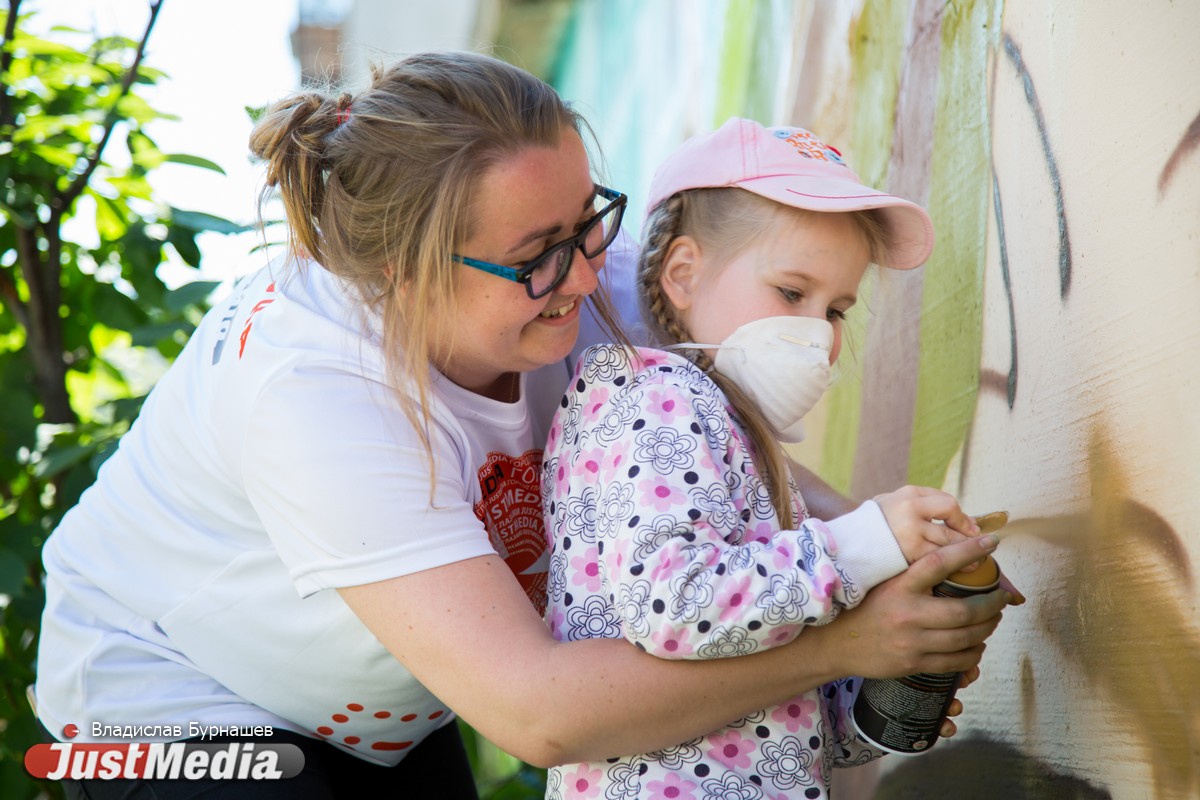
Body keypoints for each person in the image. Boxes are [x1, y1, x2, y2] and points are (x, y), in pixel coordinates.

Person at [33, 53, 1011, 799]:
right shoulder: (313, 394)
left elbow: (726, 466)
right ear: (404, 275)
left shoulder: (563, 262)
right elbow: (534, 712)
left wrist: (898, 553)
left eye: (591, 221)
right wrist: (848, 642)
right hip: (159, 704)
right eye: (546, 254)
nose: (591, 280)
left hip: (378, 704)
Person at [541, 117, 1008, 799]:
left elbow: (772, 719)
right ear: (683, 274)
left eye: (839, 309)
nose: (818, 333)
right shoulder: (654, 396)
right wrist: (865, 540)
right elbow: (675, 602)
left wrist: (894, 684)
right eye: (792, 292)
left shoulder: (733, 431)